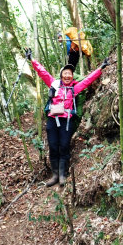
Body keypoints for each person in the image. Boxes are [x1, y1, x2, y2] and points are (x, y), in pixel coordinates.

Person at [25, 48, 110, 187]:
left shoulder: (74, 89)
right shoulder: (54, 84)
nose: (67, 75)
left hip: (67, 120)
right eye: (65, 73)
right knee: (53, 146)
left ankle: (63, 174)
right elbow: (42, 72)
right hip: (53, 120)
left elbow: (87, 80)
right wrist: (32, 59)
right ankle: (55, 175)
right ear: (61, 75)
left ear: (72, 76)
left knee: (64, 146)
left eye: (69, 74)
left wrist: (101, 68)